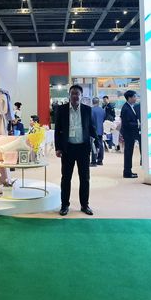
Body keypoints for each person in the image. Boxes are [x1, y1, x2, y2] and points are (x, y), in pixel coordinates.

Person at [54, 84, 97, 216]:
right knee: (66, 178)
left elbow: (92, 128)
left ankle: (84, 205)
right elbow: (57, 130)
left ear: (81, 95)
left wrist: (95, 142)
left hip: (83, 148)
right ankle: (64, 205)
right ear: (69, 95)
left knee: (85, 178)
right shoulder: (61, 109)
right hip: (68, 149)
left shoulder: (87, 110)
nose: (75, 96)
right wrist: (58, 148)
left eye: (77, 93)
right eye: (72, 93)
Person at [119, 90, 141, 178]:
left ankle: (128, 170)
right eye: (134, 96)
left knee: (129, 153)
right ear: (129, 98)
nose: (136, 98)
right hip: (128, 134)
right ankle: (127, 172)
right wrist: (138, 124)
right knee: (128, 153)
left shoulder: (130, 107)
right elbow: (127, 123)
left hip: (130, 134)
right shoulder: (126, 108)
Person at [90, 96, 105, 166]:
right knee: (100, 145)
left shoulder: (91, 110)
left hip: (93, 130)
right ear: (98, 102)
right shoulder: (102, 110)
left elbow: (90, 121)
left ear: (92, 102)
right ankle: (100, 160)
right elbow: (103, 119)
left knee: (93, 145)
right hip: (100, 130)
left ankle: (93, 161)